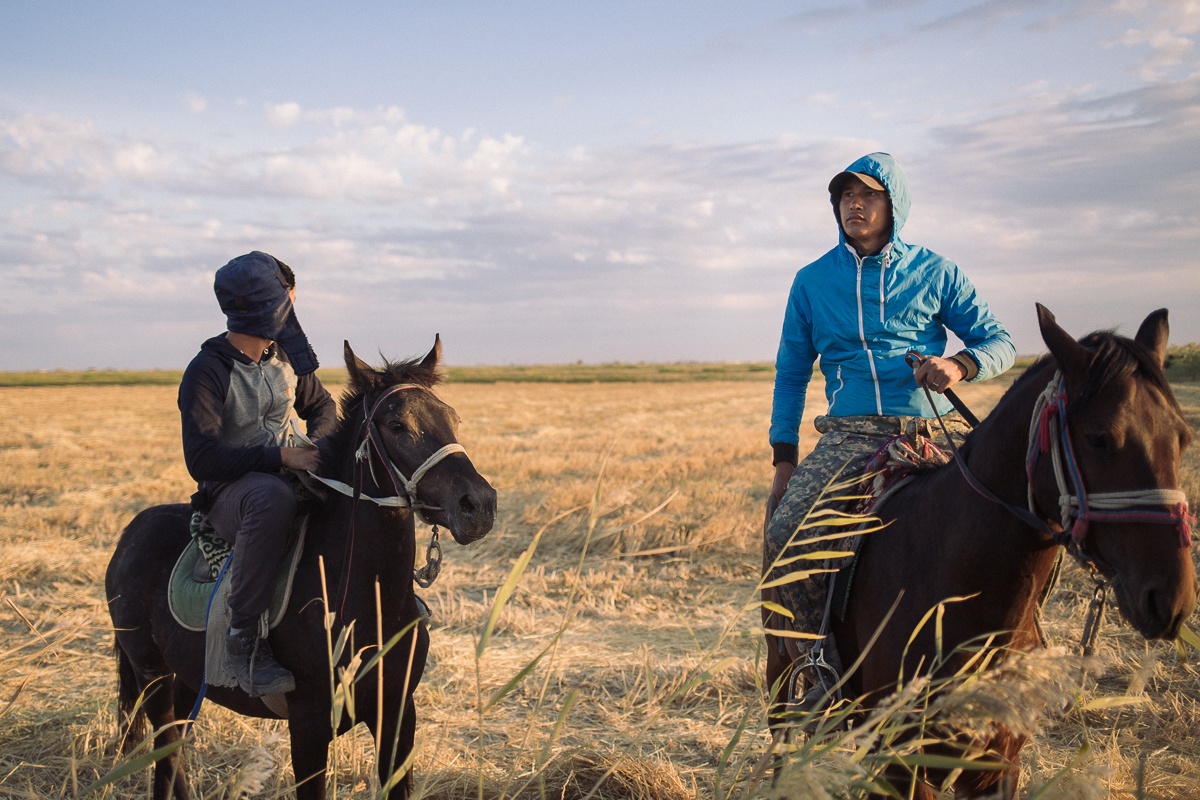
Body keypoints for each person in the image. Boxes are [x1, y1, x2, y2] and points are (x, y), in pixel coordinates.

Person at [765, 152, 1016, 710]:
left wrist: (959, 365)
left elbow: (1000, 341)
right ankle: (817, 669)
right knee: (786, 534)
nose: (855, 204)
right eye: (845, 196)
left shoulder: (936, 271)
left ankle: (1020, 653)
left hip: (932, 428)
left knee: (1013, 517)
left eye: (869, 194)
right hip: (852, 432)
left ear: (894, 204)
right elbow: (790, 370)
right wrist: (785, 457)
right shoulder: (811, 282)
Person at [178, 251, 337, 697]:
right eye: (288, 297)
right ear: (272, 304)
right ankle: (242, 639)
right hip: (233, 493)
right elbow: (202, 460)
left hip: (289, 470)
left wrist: (318, 448)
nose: (294, 304)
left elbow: (323, 407)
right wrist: (281, 460)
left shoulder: (282, 356)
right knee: (271, 497)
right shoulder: (207, 371)